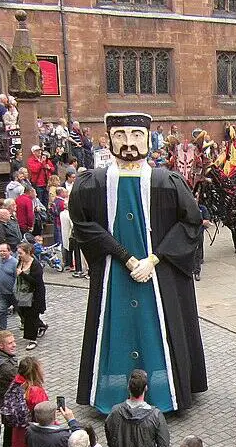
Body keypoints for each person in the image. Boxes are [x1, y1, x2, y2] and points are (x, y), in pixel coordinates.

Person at [69, 112, 207, 415]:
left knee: (157, 331)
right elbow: (82, 224)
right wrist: (126, 257)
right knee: (117, 332)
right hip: (114, 276)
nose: (128, 142)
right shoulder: (93, 183)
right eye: (120, 135)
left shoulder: (166, 182)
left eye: (135, 135)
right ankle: (116, 392)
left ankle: (165, 391)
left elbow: (191, 223)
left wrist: (155, 259)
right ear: (108, 138)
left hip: (157, 275)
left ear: (147, 138)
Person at [14, 241, 45, 351]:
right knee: (24, 313)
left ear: (28, 253)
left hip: (34, 295)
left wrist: (22, 274)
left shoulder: (36, 265)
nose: (19, 255)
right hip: (22, 293)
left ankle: (32, 339)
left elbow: (36, 282)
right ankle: (42, 325)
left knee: (31, 316)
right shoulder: (20, 262)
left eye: (21, 253)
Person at [0, 242, 18, 330]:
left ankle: (24, 323)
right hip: (1, 292)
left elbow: (17, 277)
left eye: (4, 251)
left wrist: (15, 289)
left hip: (13, 292)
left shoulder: (15, 263)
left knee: (20, 310)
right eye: (0, 251)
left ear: (9, 251)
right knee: (1, 311)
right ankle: (1, 329)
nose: (2, 253)